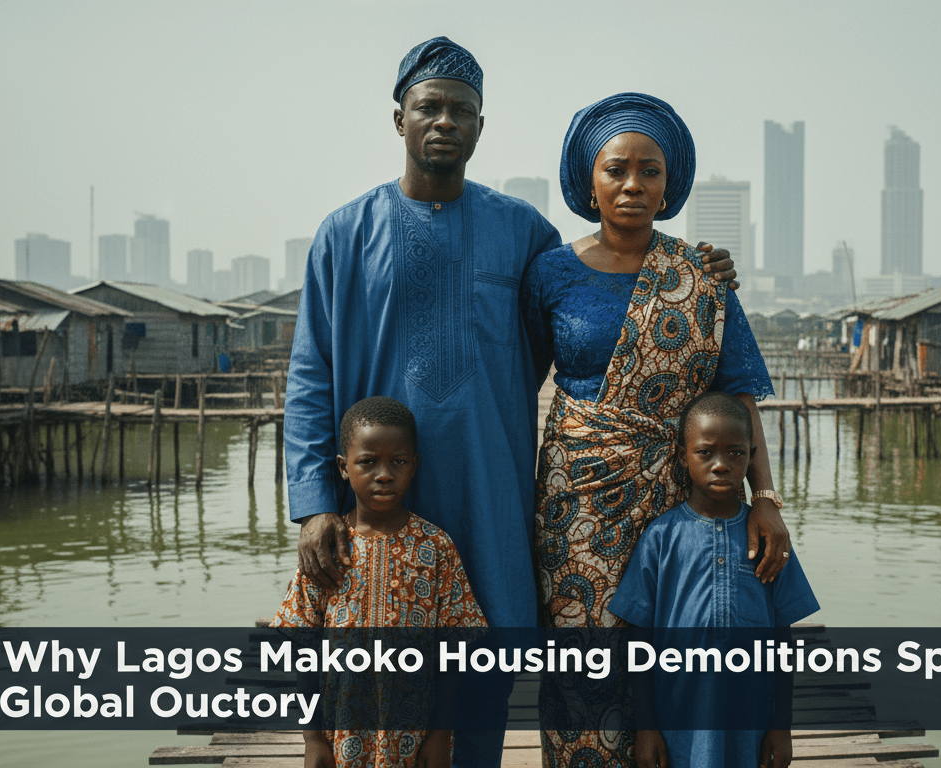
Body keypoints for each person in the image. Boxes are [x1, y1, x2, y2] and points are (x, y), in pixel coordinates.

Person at [284, 39, 735, 767]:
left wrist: (695, 270)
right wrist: (314, 504)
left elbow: (595, 306)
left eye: (461, 110)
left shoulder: (522, 233)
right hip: (371, 496)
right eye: (428, 107)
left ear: (480, 127)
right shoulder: (344, 234)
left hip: (488, 489)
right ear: (398, 119)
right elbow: (310, 373)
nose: (444, 122)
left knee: (482, 664)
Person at [521, 92, 790, 765]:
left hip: (681, 498)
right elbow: (514, 382)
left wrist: (766, 499)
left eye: (650, 171)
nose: (633, 185)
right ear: (590, 181)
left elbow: (738, 398)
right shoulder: (551, 272)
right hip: (575, 501)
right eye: (617, 170)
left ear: (670, 186)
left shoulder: (700, 276)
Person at [608, 391, 820, 768]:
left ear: (751, 456)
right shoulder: (661, 538)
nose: (721, 464)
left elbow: (783, 636)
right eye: (706, 452)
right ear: (682, 456)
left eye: (735, 453)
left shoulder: (768, 541)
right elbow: (639, 637)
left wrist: (782, 725)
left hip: (750, 724)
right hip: (678, 724)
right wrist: (646, 727)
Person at [273, 396, 487, 768]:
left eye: (398, 462)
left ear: (414, 465)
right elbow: (301, 645)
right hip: (342, 738)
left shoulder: (436, 547)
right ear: (343, 467)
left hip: (415, 736)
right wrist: (312, 739)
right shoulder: (328, 547)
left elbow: (456, 648)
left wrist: (441, 734)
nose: (384, 474)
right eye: (368, 462)